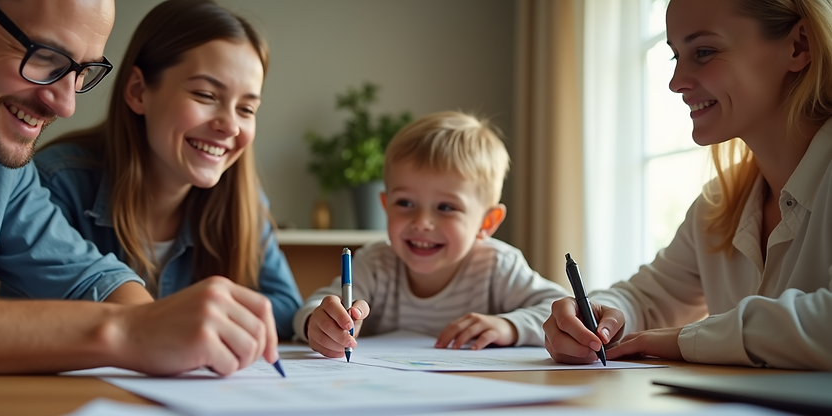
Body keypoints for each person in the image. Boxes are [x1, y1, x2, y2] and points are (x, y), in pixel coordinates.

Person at [0, 0, 279, 376]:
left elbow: (84, 274)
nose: (65, 104)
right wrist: (126, 333)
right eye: (44, 56)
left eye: (81, 72)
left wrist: (162, 324)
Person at [544, 0, 832, 370]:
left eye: (704, 51)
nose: (676, 82)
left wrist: (685, 339)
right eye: (675, 56)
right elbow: (644, 298)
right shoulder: (717, 204)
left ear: (799, 46)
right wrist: (596, 318)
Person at [29, 0, 301, 340]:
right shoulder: (56, 183)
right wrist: (186, 320)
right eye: (205, 94)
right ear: (138, 91)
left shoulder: (243, 199)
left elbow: (287, 306)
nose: (230, 126)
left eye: (247, 108)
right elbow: (37, 316)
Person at [295, 111, 569, 358]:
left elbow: (560, 310)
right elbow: (315, 306)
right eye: (405, 203)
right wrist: (318, 323)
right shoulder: (376, 263)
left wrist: (509, 326)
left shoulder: (498, 265)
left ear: (487, 222)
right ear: (385, 206)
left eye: (446, 207)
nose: (422, 222)